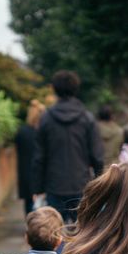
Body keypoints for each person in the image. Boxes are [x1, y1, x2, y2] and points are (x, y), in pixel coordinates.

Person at [33, 70, 104, 222]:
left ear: (54, 89)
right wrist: (100, 185)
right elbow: (97, 156)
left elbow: (39, 157)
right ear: (76, 88)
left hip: (54, 186)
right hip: (82, 185)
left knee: (53, 234)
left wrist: (38, 189)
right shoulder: (87, 118)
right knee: (84, 234)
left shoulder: (45, 119)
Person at [16, 100, 46, 215]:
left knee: (29, 206)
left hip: (25, 174)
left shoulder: (22, 132)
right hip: (41, 174)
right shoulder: (44, 132)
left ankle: (31, 228)